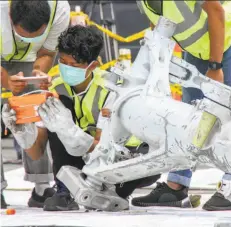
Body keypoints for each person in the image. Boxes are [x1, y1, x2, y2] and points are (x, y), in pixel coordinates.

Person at [2, 25, 160, 211]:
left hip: (125, 159)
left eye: (74, 65)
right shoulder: (56, 89)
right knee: (58, 106)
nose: (66, 68)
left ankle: (105, 189)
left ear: (92, 65)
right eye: (62, 61)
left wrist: (70, 132)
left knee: (113, 189)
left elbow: (106, 150)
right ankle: (65, 191)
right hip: (86, 159)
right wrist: (22, 132)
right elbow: (37, 153)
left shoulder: (112, 89)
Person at [132, 0, 231, 211]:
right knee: (188, 114)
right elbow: (158, 27)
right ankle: (176, 185)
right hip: (198, 47)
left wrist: (215, 65)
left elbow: (216, 12)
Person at [0, 0, 71, 209]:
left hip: (30, 58)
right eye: (23, 34)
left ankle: (41, 188)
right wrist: (6, 81)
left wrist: (40, 72)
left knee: (36, 115)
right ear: (11, 18)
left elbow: (47, 53)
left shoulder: (59, 9)